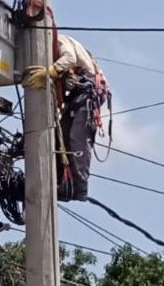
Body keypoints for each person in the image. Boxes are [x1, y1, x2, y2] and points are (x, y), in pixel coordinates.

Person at [22, 34, 110, 201]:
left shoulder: (58, 40)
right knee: (60, 137)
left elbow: (70, 58)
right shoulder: (49, 48)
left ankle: (80, 188)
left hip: (88, 91)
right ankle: (60, 182)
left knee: (78, 137)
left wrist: (50, 71)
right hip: (77, 94)